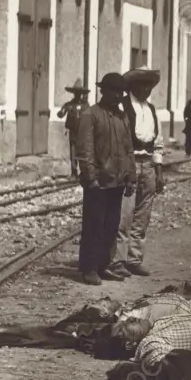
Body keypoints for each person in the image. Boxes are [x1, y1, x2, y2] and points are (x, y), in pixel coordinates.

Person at [76, 72, 136, 286]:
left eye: (121, 92)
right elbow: (85, 149)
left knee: (111, 226)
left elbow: (129, 150)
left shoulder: (123, 117)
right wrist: (90, 178)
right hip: (98, 182)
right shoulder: (90, 114)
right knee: (94, 226)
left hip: (117, 182)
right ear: (103, 91)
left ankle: (103, 265)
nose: (118, 96)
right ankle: (88, 268)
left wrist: (131, 177)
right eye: (114, 91)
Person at [109, 66, 164, 278]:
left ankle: (134, 259)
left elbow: (158, 143)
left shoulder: (151, 110)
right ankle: (118, 261)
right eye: (143, 84)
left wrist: (158, 170)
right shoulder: (122, 108)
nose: (147, 89)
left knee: (143, 215)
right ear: (133, 86)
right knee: (125, 215)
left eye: (149, 85)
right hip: (128, 164)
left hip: (148, 165)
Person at [57, 78, 89, 179]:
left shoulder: (85, 106)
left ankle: (84, 173)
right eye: (76, 93)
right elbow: (61, 114)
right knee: (73, 153)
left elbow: (90, 118)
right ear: (73, 93)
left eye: (79, 93)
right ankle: (74, 173)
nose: (77, 95)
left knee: (83, 153)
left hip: (83, 134)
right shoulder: (69, 105)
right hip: (73, 133)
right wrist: (61, 111)